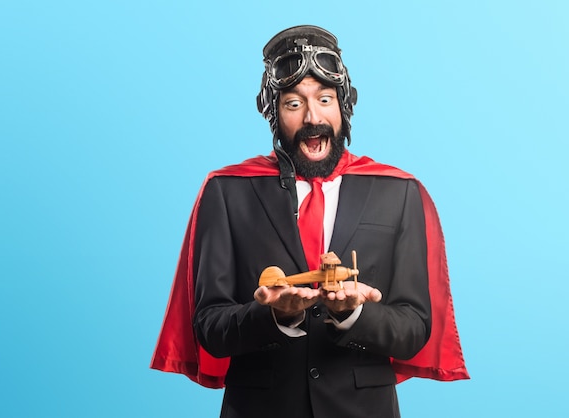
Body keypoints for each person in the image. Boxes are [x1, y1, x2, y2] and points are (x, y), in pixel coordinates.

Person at [151, 25, 469, 418]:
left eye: (324, 99)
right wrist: (272, 315)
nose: (312, 117)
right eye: (293, 103)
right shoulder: (226, 191)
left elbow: (415, 329)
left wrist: (354, 313)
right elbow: (210, 327)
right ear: (273, 112)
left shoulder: (398, 192)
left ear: (344, 106)